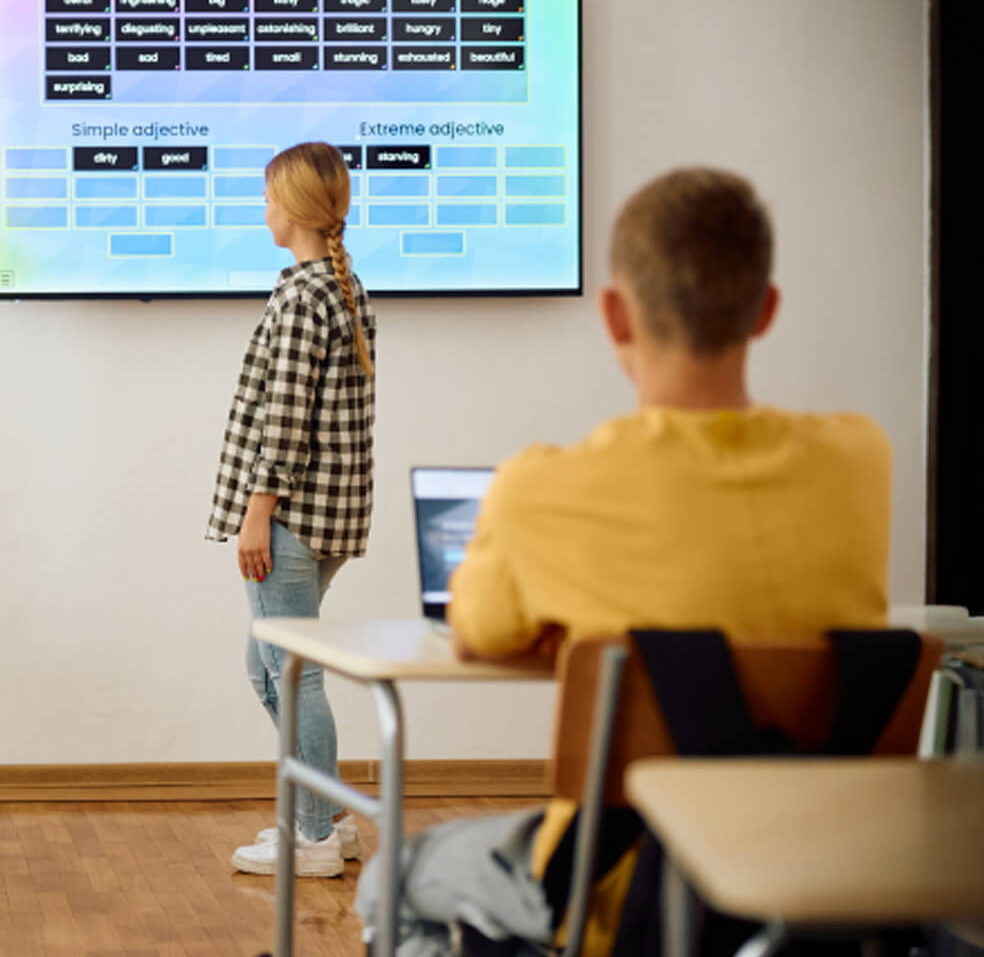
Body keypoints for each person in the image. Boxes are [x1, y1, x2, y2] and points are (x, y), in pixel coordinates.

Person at [356, 168, 891, 957]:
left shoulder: (545, 487)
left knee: (389, 882)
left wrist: (567, 623)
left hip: (617, 880)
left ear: (612, 314)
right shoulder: (860, 461)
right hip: (819, 881)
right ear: (766, 310)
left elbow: (472, 633)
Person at [207, 142, 377, 878]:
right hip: (331, 517)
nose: (264, 209)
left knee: (291, 672)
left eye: (271, 197)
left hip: (291, 517)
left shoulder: (305, 295)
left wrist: (257, 513)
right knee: (269, 665)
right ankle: (327, 814)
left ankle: (310, 834)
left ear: (297, 209)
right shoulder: (342, 288)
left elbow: (286, 419)